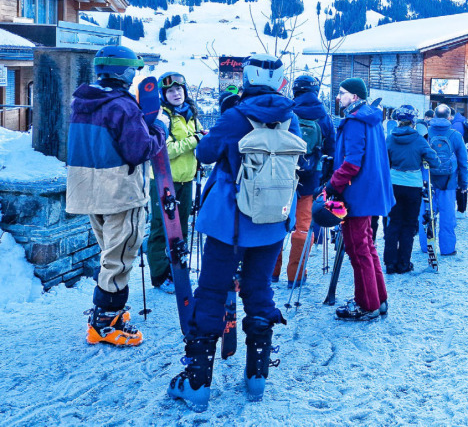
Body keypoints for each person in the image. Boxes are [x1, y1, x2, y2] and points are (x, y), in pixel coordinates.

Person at [167, 53, 302, 408]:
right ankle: (256, 379)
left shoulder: (234, 116)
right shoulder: (292, 119)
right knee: (259, 290)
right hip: (274, 221)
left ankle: (197, 383)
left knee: (211, 291)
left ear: (247, 78)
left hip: (231, 223)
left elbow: (207, 153)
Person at [66, 45, 165, 347]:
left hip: (90, 190)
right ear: (124, 72)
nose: (135, 75)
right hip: (121, 192)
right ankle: (105, 323)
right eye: (133, 69)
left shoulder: (81, 103)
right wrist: (159, 128)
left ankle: (109, 310)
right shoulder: (123, 106)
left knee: (110, 255)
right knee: (120, 259)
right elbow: (140, 150)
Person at [324, 77, 394, 320]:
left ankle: (367, 304)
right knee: (367, 246)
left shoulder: (355, 121)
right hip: (370, 192)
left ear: (354, 96)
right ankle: (378, 299)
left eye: (342, 93)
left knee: (358, 249)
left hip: (356, 194)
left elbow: (352, 162)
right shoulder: (371, 118)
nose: (338, 97)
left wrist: (333, 184)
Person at [273, 74, 335, 287]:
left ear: (296, 91)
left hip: (284, 176)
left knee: (277, 223)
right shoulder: (323, 116)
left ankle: (272, 271)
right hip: (311, 179)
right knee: (303, 227)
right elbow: (331, 150)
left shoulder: (287, 111)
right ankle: (296, 275)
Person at [147, 72, 206, 292]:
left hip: (186, 180)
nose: (176, 93)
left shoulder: (191, 115)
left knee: (180, 229)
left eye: (179, 89)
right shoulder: (163, 117)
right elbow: (166, 150)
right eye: (171, 90)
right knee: (161, 228)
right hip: (164, 180)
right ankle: (159, 275)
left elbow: (194, 145)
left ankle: (177, 269)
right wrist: (196, 139)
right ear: (164, 94)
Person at [384, 105, 439, 274]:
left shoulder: (390, 138)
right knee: (409, 225)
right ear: (413, 121)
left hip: (393, 185)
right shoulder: (419, 139)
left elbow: (384, 161)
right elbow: (434, 161)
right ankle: (403, 264)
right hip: (413, 186)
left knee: (393, 223)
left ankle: (390, 264)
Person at [424, 104, 468, 254]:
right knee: (447, 216)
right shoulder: (455, 135)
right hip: (449, 181)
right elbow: (463, 162)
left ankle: (426, 246)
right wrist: (464, 183)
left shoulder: (426, 133)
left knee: (427, 213)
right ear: (449, 117)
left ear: (435, 115)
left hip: (428, 180)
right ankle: (447, 249)